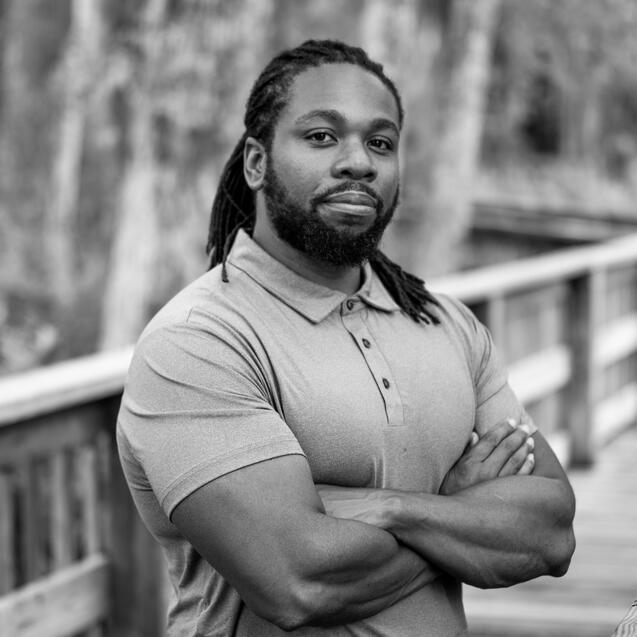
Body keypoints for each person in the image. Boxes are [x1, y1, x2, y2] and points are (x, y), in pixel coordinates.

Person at [117, 39, 576, 636]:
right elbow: (298, 582)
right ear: (256, 163)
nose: (358, 162)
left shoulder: (447, 323)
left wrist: (392, 506)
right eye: (322, 136)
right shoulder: (198, 342)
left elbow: (550, 533)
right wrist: (460, 513)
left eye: (380, 143)